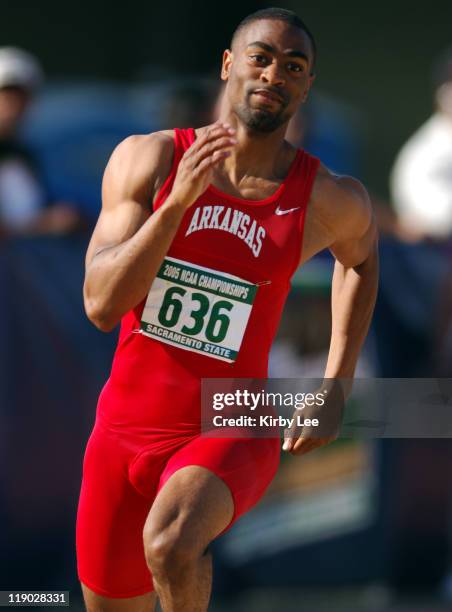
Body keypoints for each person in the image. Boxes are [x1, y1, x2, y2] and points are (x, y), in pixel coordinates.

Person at [77, 8, 378, 612]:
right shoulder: (151, 161)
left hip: (233, 419)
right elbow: (101, 304)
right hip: (124, 429)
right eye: (261, 58)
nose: (274, 75)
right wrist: (174, 208)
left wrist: (335, 385)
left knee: (172, 542)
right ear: (228, 64)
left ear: (307, 85)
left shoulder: (323, 197)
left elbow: (362, 261)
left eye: (294, 67)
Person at [0, 47, 82, 237]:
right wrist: (42, 224)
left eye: (21, 98)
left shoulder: (25, 154)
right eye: (6, 96)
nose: (13, 106)